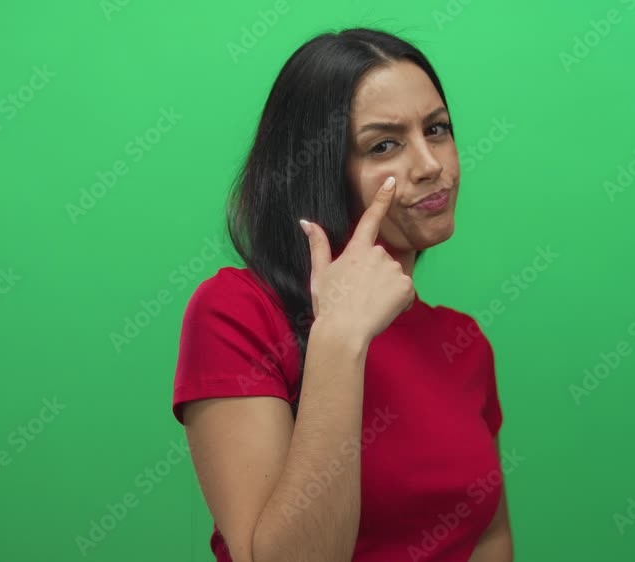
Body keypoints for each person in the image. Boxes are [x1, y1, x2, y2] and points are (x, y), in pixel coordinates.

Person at [171, 27, 512, 561]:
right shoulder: (236, 312)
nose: (430, 165)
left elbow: (490, 538)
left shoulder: (462, 341)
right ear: (320, 172)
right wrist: (339, 339)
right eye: (384, 145)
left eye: (437, 129)